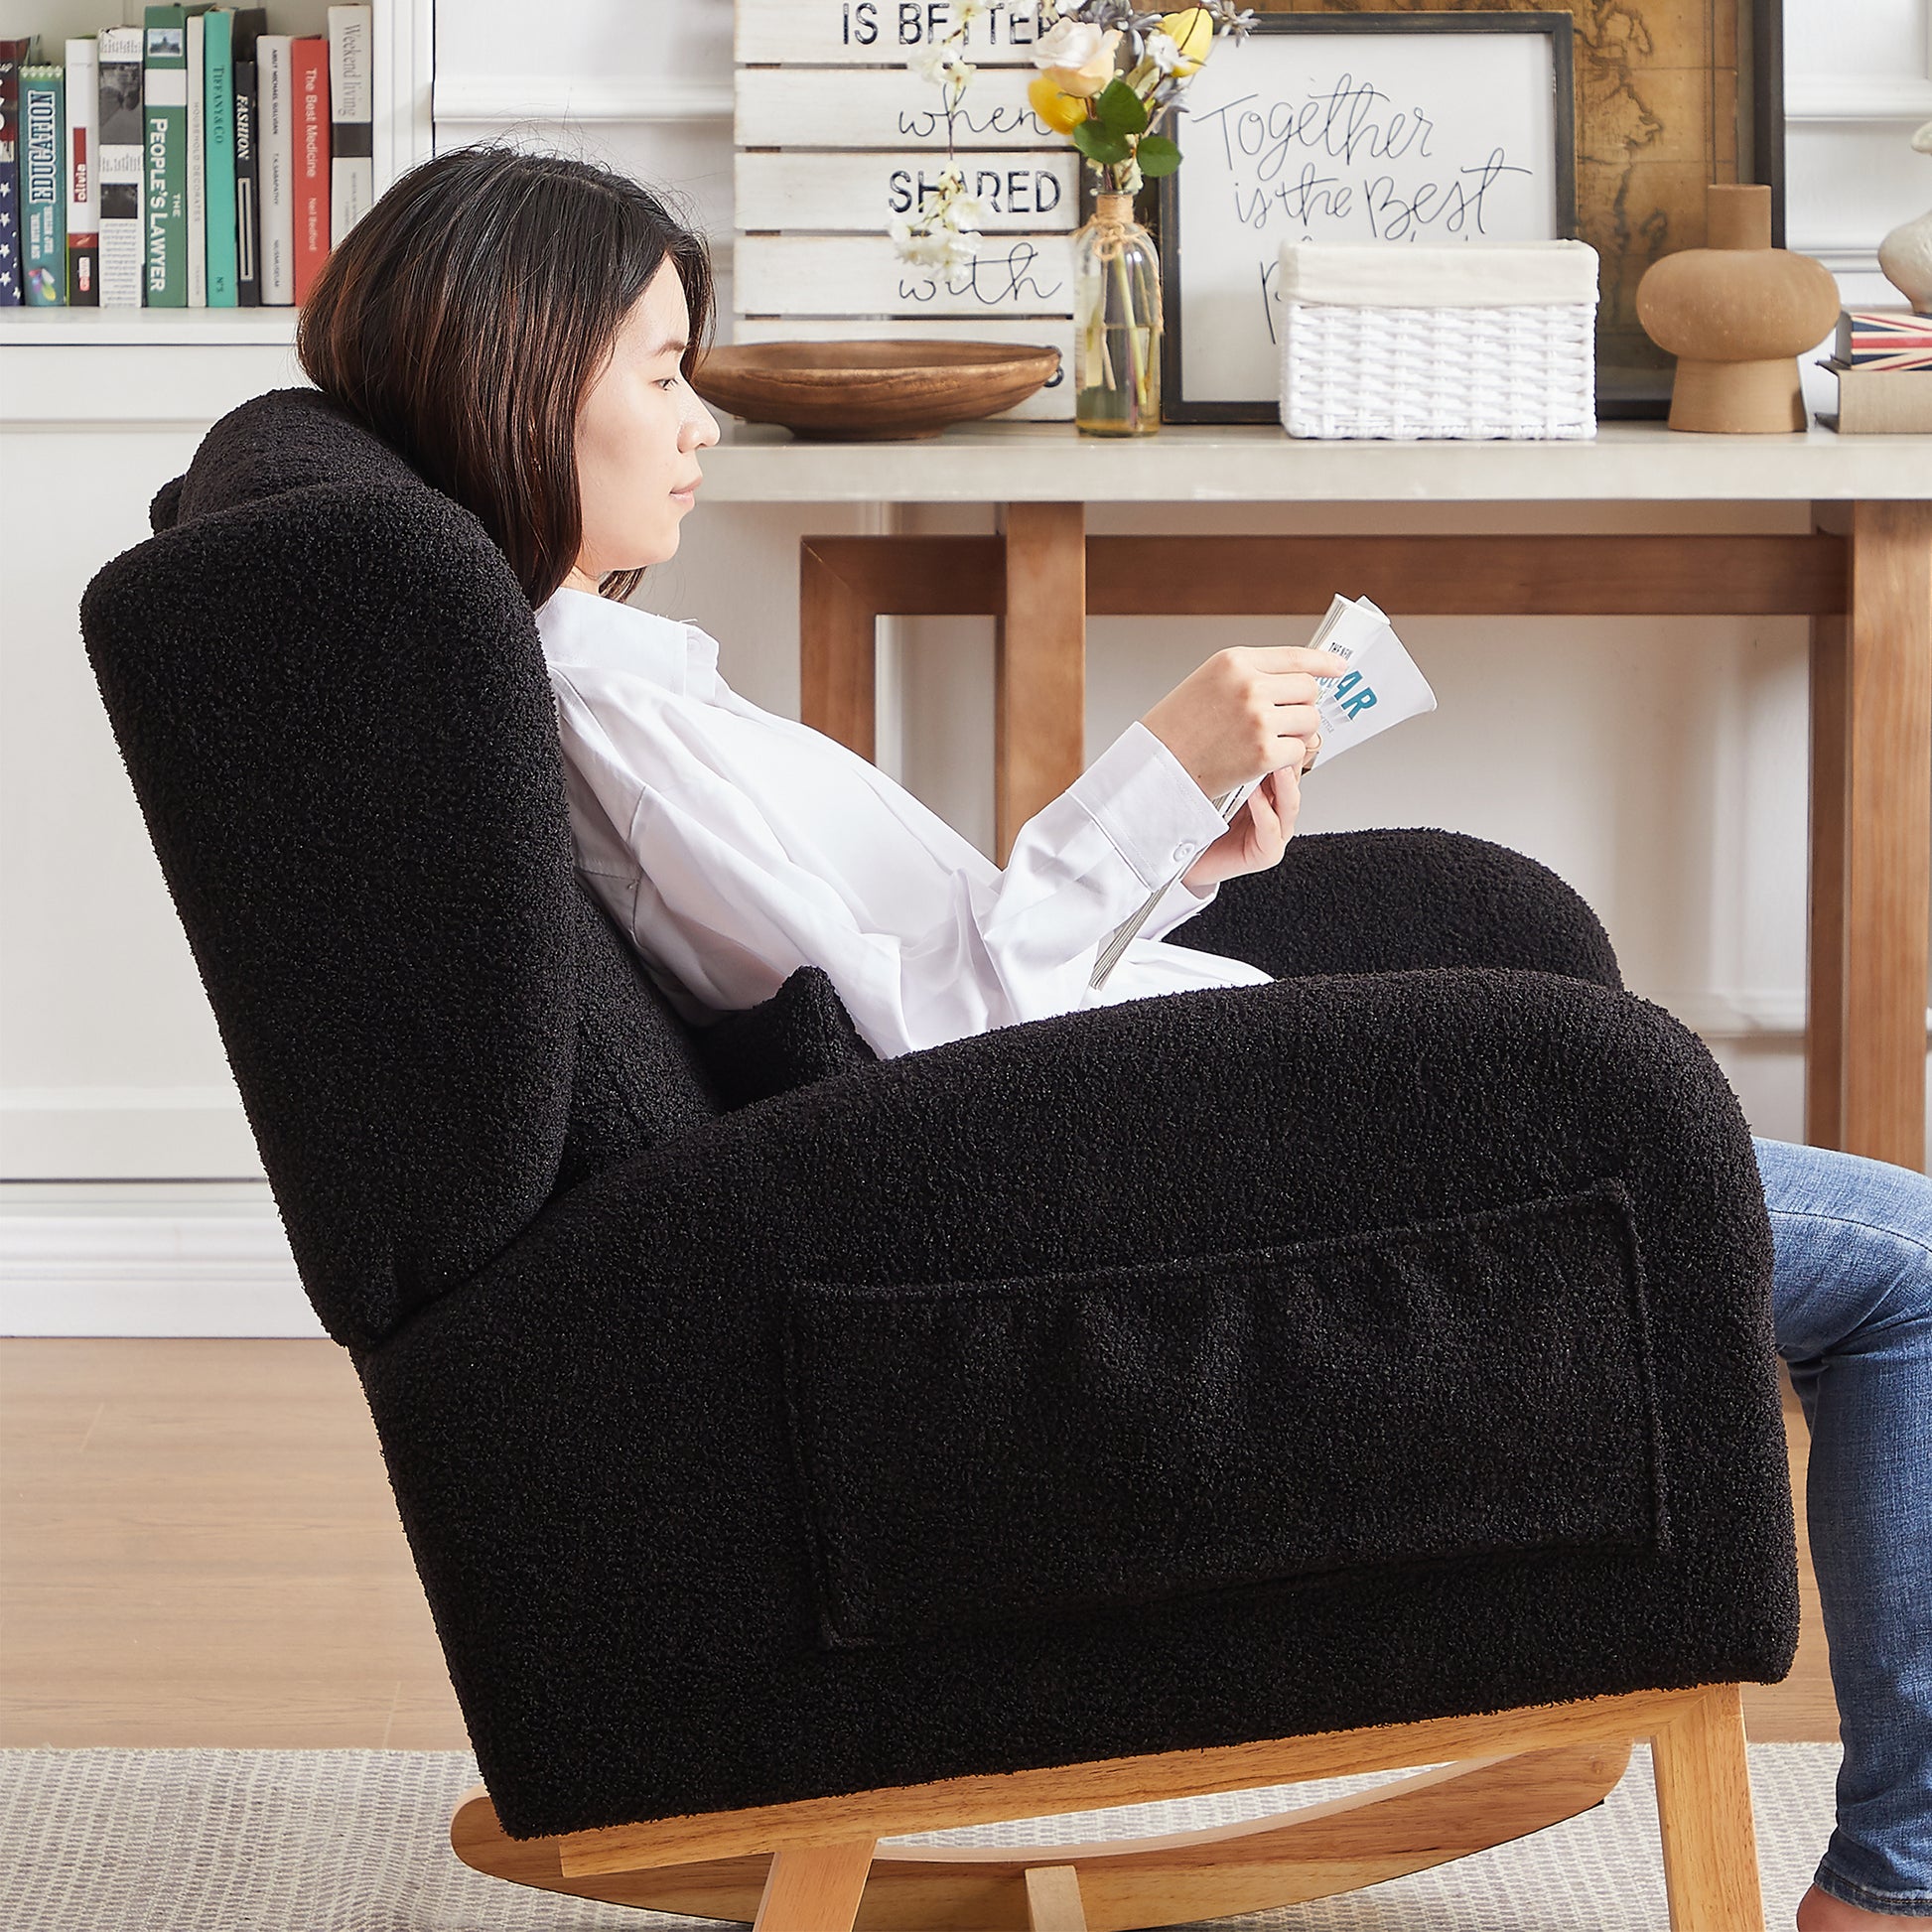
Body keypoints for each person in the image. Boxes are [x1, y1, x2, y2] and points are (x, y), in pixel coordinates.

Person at [296, 144, 1932, 1927]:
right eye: (664, 374)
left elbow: (915, 988)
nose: (698, 424)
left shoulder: (602, 681)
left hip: (1126, 1128)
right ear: (527, 375)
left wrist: (1173, 851)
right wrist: (1153, 766)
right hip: (1125, 1191)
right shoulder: (616, 730)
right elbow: (923, 1051)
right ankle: (1895, 1882)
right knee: (1914, 1278)